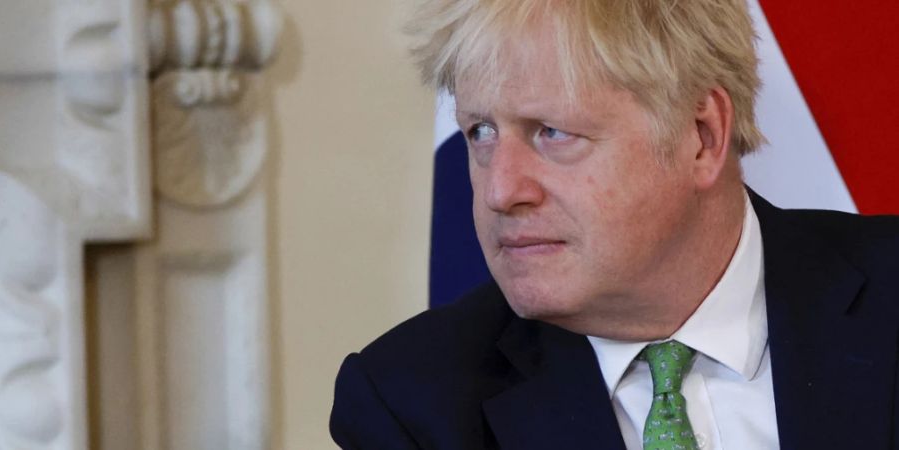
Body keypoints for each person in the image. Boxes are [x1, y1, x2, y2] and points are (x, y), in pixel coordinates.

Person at [331, 1, 899, 449]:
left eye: (551, 132)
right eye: (480, 132)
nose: (501, 191)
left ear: (701, 136)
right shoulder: (413, 404)